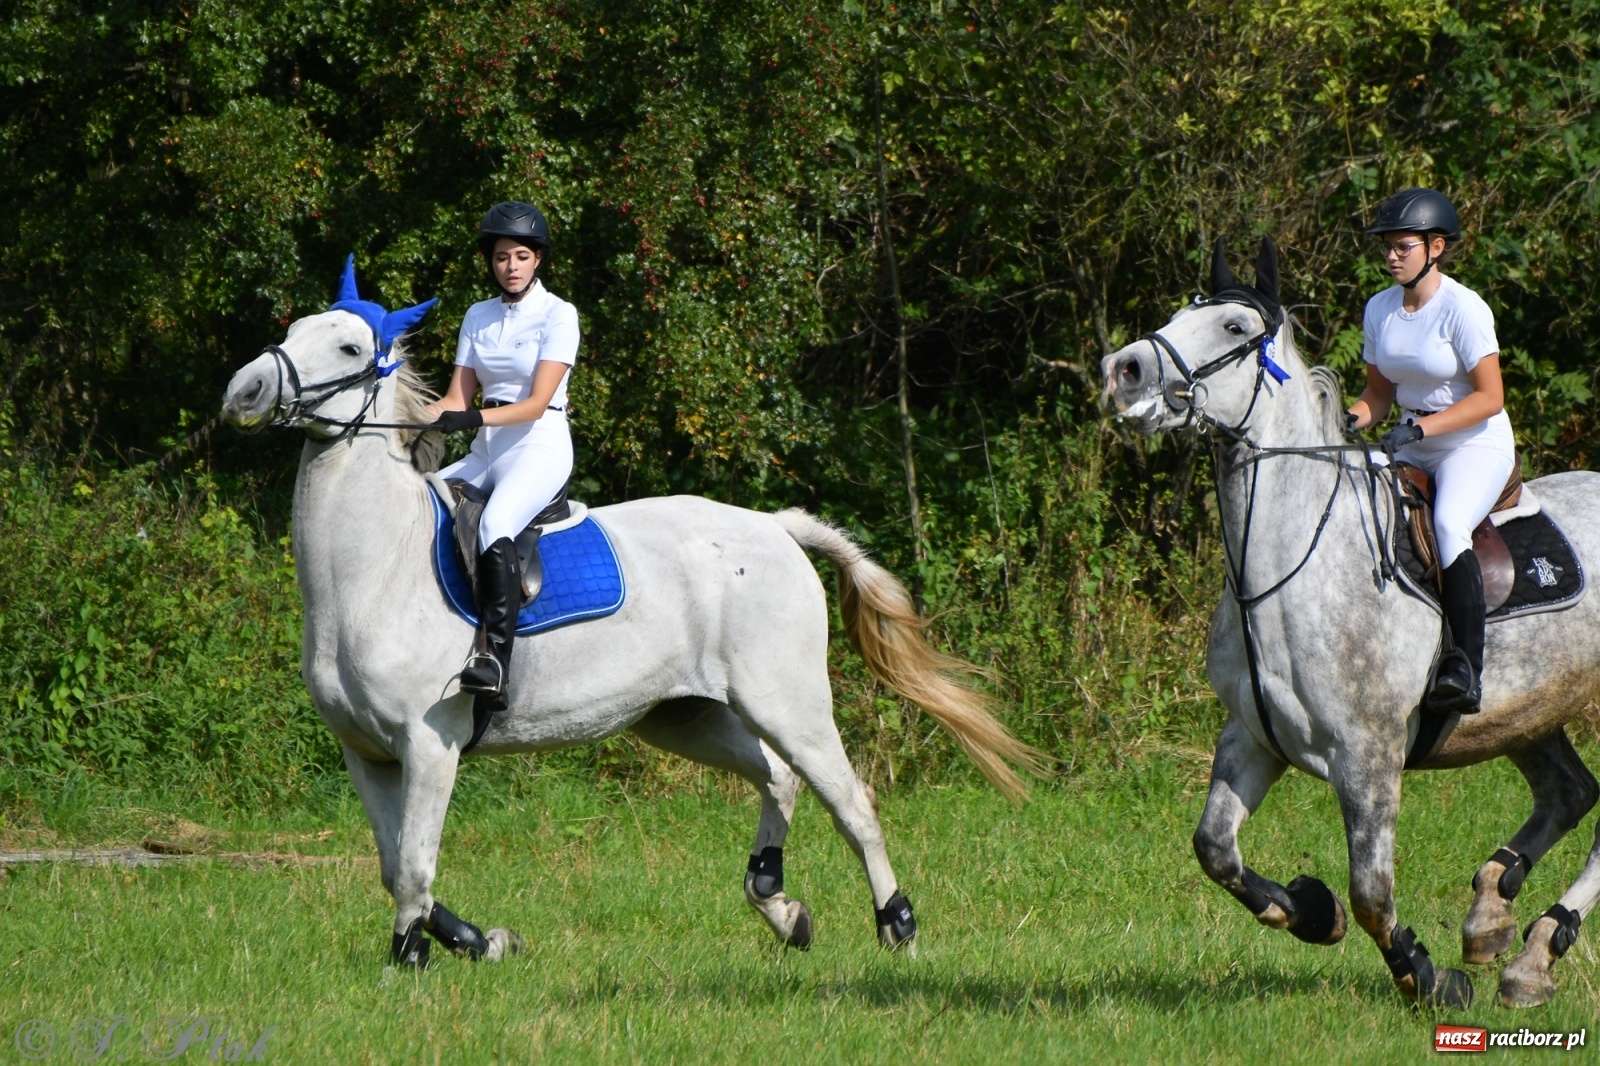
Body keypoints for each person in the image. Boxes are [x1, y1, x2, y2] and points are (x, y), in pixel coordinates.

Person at [1345, 187, 1514, 715]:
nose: (1391, 256)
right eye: (1388, 247)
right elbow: (1378, 395)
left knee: (1448, 523)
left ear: (1435, 247)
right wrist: (1344, 421)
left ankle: (1464, 668)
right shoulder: (1380, 308)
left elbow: (1490, 398)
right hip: (1411, 438)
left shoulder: (1464, 308)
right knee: (1349, 495)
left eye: (1403, 247)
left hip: (1473, 442)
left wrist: (1420, 431)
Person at [429, 201, 579, 700]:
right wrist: (396, 411)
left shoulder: (559, 315)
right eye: (500, 257)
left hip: (538, 444)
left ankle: (494, 660)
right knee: (424, 498)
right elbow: (454, 400)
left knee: (495, 524)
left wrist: (472, 418)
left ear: (538, 259)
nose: (510, 266)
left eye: (520, 256)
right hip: (487, 449)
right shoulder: (478, 315)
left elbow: (535, 403)